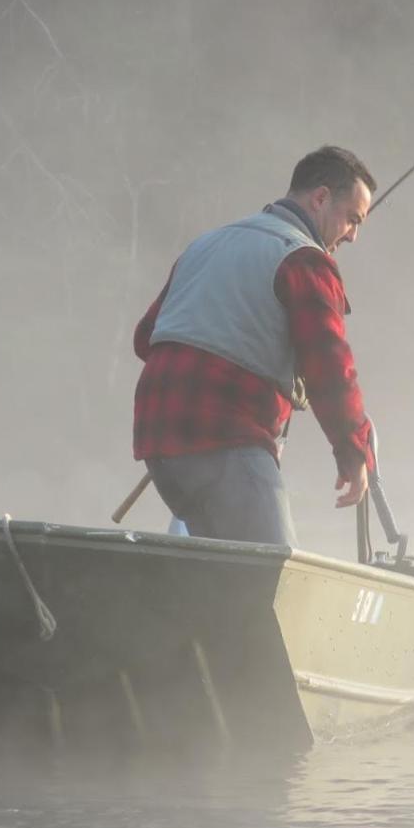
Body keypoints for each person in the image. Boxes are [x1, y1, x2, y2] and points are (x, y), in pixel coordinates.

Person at [132, 145, 377, 548]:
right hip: (226, 435)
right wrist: (354, 452)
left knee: (222, 574)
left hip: (156, 440)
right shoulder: (306, 261)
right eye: (352, 219)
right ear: (320, 198)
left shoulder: (206, 244)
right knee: (271, 575)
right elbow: (330, 370)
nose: (353, 235)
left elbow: (148, 338)